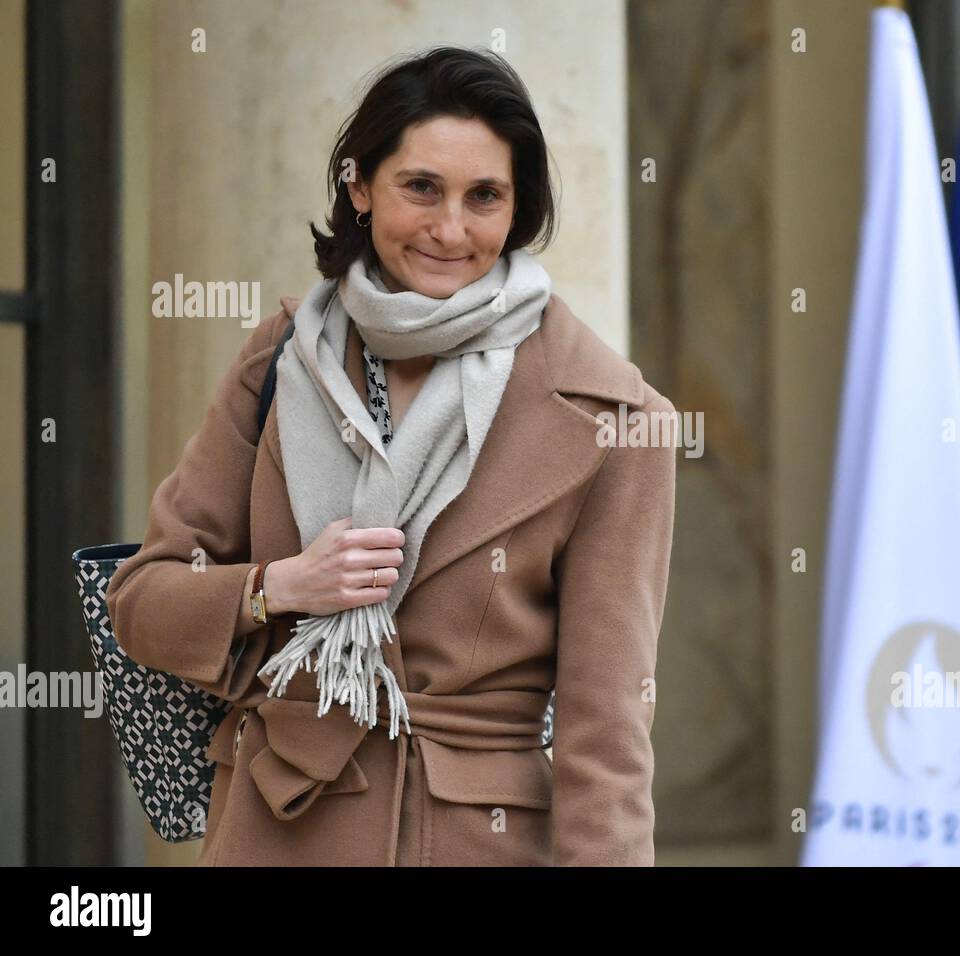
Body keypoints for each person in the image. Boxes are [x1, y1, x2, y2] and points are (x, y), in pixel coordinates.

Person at [105, 45, 677, 866]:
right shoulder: (281, 358)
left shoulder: (609, 418)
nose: (451, 228)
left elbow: (608, 728)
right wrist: (279, 587)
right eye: (421, 188)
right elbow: (144, 602)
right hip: (275, 826)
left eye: (485, 196)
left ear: (519, 211)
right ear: (360, 187)